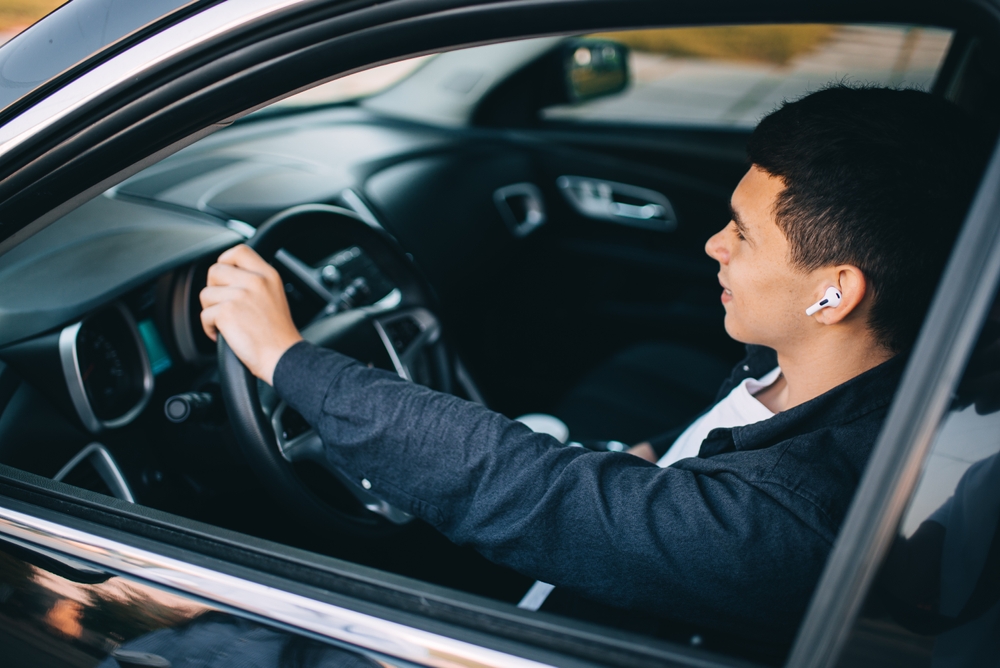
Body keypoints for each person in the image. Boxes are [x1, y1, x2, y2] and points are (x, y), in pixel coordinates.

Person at [198, 85, 987, 649]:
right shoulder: (819, 368)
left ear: (833, 293)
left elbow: (521, 489)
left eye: (742, 235)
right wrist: (648, 460)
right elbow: (703, 448)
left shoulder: (783, 522)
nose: (713, 244)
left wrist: (284, 356)